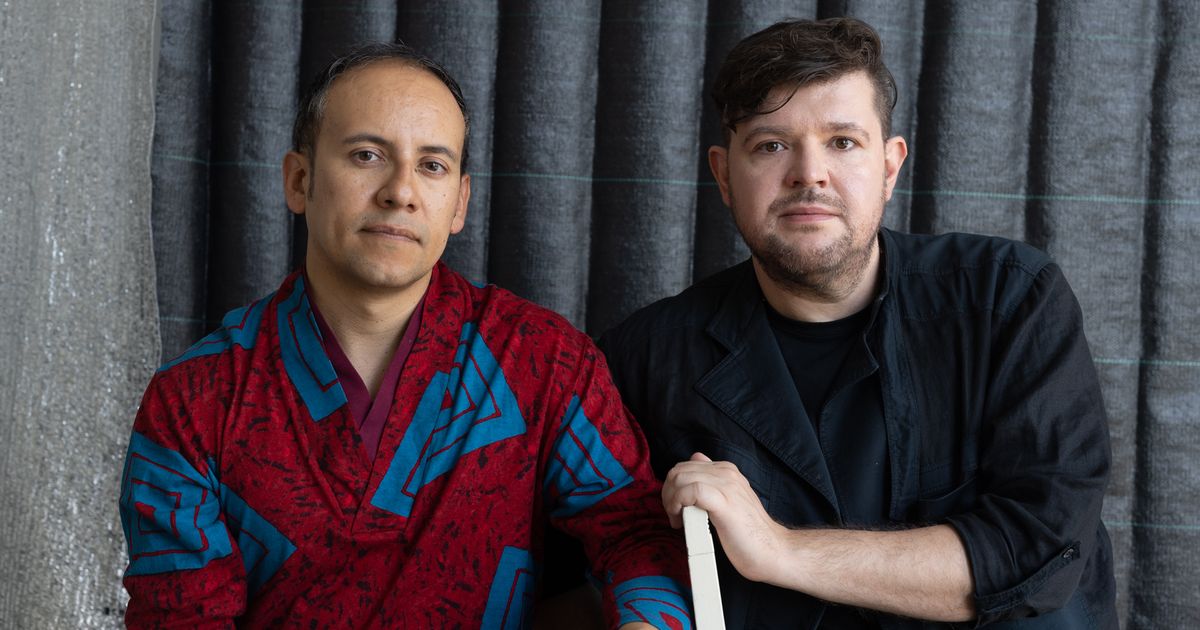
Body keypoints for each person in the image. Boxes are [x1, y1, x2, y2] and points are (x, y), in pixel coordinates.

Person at [117, 42, 691, 629]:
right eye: (367, 155)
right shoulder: (193, 399)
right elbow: (179, 617)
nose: (401, 191)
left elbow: (635, 532)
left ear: (459, 203)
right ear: (299, 180)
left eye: (432, 165)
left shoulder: (543, 359)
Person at [597, 17, 1117, 629]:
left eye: (842, 142)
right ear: (724, 175)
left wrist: (779, 549)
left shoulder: (1009, 300)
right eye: (770, 145)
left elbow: (1039, 550)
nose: (809, 173)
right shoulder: (644, 359)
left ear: (890, 167)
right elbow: (591, 564)